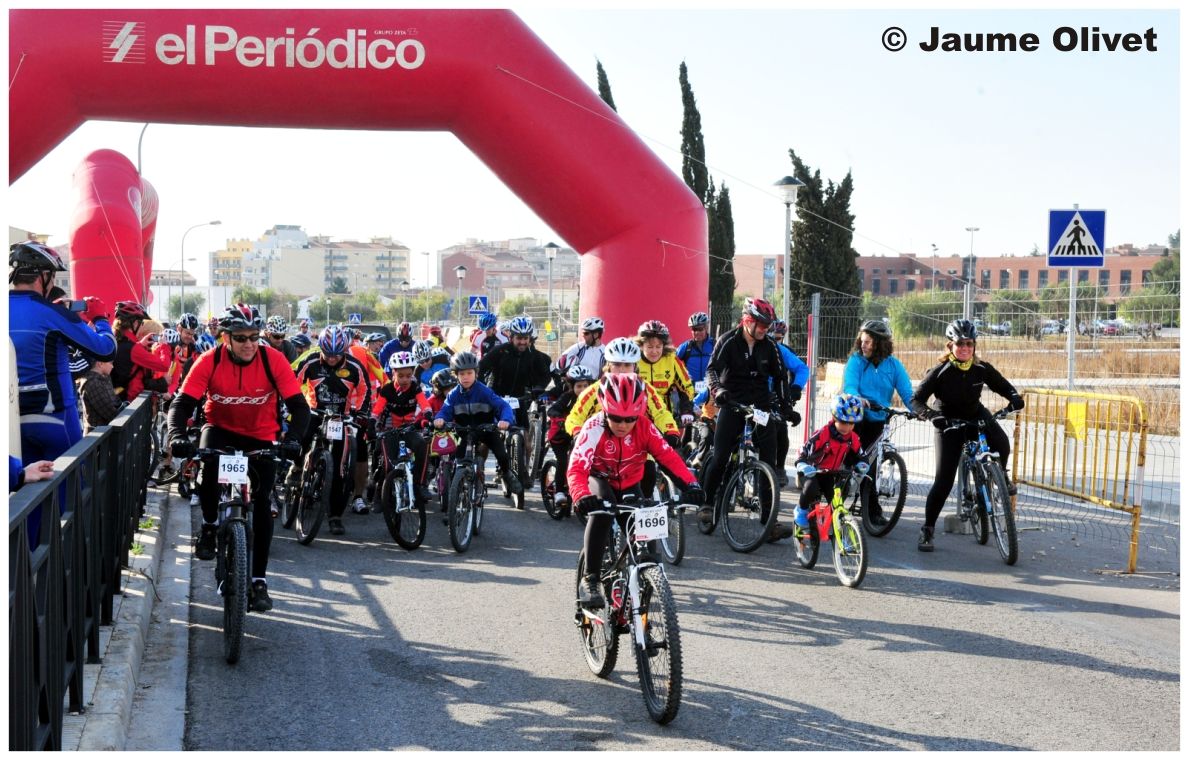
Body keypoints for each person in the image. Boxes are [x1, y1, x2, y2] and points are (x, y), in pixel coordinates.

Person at [167, 303, 309, 612]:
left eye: (254, 337)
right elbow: (181, 404)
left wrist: (294, 440)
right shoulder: (209, 360)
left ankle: (259, 581)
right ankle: (208, 525)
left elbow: (300, 407)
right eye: (241, 337)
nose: (248, 344)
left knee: (261, 506)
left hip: (261, 435)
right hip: (219, 429)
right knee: (206, 473)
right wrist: (176, 435)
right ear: (225, 338)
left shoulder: (274, 360)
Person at [10, 241, 117, 546]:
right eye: (52, 276)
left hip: (12, 425)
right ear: (43, 276)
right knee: (72, 505)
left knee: (23, 504)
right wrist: (99, 317)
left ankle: (26, 583)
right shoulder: (51, 313)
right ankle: (73, 582)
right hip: (55, 421)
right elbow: (105, 349)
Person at [567, 373, 704, 608]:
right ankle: (591, 579)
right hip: (598, 480)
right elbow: (577, 468)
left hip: (630, 483)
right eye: (616, 418)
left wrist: (690, 484)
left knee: (649, 549)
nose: (622, 425)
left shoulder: (644, 427)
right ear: (605, 410)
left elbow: (667, 457)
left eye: (630, 418)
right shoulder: (593, 427)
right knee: (602, 512)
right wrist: (581, 496)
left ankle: (644, 599)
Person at [909, 319, 1025, 553]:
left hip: (974, 415)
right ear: (950, 346)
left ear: (974, 346)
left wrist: (1014, 398)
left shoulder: (981, 368)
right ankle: (927, 529)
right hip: (948, 422)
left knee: (1002, 443)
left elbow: (1002, 385)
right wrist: (932, 416)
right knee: (944, 481)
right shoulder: (940, 371)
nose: (965, 348)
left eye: (969, 344)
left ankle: (1000, 475)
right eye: (960, 343)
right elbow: (915, 400)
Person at [700, 297, 793, 539]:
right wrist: (717, 390)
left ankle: (768, 522)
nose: (765, 329)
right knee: (720, 457)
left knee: (769, 462)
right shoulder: (728, 340)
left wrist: (786, 407)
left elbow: (781, 377)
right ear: (747, 321)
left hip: (759, 407)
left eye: (767, 325)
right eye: (760, 325)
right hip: (732, 404)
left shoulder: (770, 346)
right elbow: (711, 370)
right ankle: (707, 504)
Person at [292, 324, 372, 530]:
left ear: (344, 350)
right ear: (321, 349)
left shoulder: (354, 367)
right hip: (314, 412)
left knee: (337, 468)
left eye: (337, 355)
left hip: (340, 419)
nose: (332, 359)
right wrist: (295, 405)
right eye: (328, 354)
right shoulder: (310, 360)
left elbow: (365, 390)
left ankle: (335, 516)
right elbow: (291, 381)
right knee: (300, 439)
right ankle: (297, 467)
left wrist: (361, 413)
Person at [841, 319, 915, 526]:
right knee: (855, 459)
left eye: (868, 342)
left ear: (880, 344)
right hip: (857, 416)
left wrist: (919, 410)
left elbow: (907, 393)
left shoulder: (893, 365)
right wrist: (858, 398)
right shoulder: (856, 361)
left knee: (871, 466)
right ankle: (842, 484)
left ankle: (871, 511)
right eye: (862, 341)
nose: (863, 345)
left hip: (879, 418)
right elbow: (850, 385)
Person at [432, 350, 523, 498]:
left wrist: (505, 420)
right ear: (456, 375)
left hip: (487, 430)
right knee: (458, 460)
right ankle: (458, 492)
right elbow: (445, 410)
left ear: (476, 373)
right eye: (462, 374)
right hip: (465, 432)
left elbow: (503, 407)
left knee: (502, 455)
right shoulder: (453, 395)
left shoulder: (484, 391)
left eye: (469, 373)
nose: (466, 377)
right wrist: (440, 418)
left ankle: (506, 474)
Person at [565, 337, 679, 443]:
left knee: (651, 464)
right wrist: (577, 432)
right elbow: (574, 417)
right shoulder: (595, 389)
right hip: (601, 446)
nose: (622, 370)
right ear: (608, 365)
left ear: (635, 367)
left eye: (627, 365)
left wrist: (671, 431)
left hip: (636, 446)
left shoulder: (645, 388)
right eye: (617, 364)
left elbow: (660, 413)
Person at [792, 394, 866, 532]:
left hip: (830, 474)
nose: (847, 427)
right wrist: (803, 465)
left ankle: (832, 517)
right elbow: (803, 450)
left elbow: (862, 455)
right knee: (811, 487)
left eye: (851, 424)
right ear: (834, 418)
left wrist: (863, 465)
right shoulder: (823, 434)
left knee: (842, 491)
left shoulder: (853, 438)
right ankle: (800, 510)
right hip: (812, 471)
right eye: (843, 422)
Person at [371, 351, 432, 509]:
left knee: (423, 446)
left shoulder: (415, 388)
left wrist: (428, 413)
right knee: (387, 465)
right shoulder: (386, 390)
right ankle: (379, 494)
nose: (405, 380)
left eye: (409, 375)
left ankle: (420, 485)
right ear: (393, 373)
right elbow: (377, 409)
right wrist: (372, 422)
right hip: (389, 430)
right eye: (401, 376)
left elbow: (424, 403)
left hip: (408, 429)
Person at [544, 364, 596, 512]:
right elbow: (553, 410)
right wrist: (559, 417)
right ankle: (560, 491)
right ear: (571, 386)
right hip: (560, 436)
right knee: (564, 461)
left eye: (586, 386)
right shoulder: (566, 398)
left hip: (582, 435)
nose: (582, 390)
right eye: (579, 386)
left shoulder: (593, 398)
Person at [767, 319, 810, 487]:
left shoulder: (784, 351)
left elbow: (802, 369)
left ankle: (779, 468)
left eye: (778, 338)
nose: (774, 341)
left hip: (778, 397)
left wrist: (796, 388)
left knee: (781, 431)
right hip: (754, 396)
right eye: (772, 337)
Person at [634, 319, 695, 425]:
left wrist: (686, 410)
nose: (654, 351)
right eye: (649, 347)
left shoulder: (671, 359)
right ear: (641, 345)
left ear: (664, 345)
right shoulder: (633, 360)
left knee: (672, 440)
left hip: (664, 414)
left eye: (658, 347)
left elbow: (687, 387)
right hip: (637, 414)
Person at [110, 301, 172, 402]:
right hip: (131, 402)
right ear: (135, 323)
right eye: (141, 322)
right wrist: (164, 346)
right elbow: (164, 365)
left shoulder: (116, 340)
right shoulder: (133, 348)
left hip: (117, 397)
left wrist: (140, 344)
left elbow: (126, 355)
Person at [79, 359, 127, 432]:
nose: (112, 366)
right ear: (100, 363)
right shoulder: (93, 383)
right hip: (96, 436)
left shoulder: (105, 377)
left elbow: (115, 401)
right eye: (110, 363)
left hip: (105, 433)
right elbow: (109, 412)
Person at [675, 311, 715, 389]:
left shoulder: (714, 345)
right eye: (694, 329)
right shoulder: (686, 347)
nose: (697, 332)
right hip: (691, 389)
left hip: (710, 389)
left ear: (706, 328)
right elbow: (672, 362)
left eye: (700, 329)